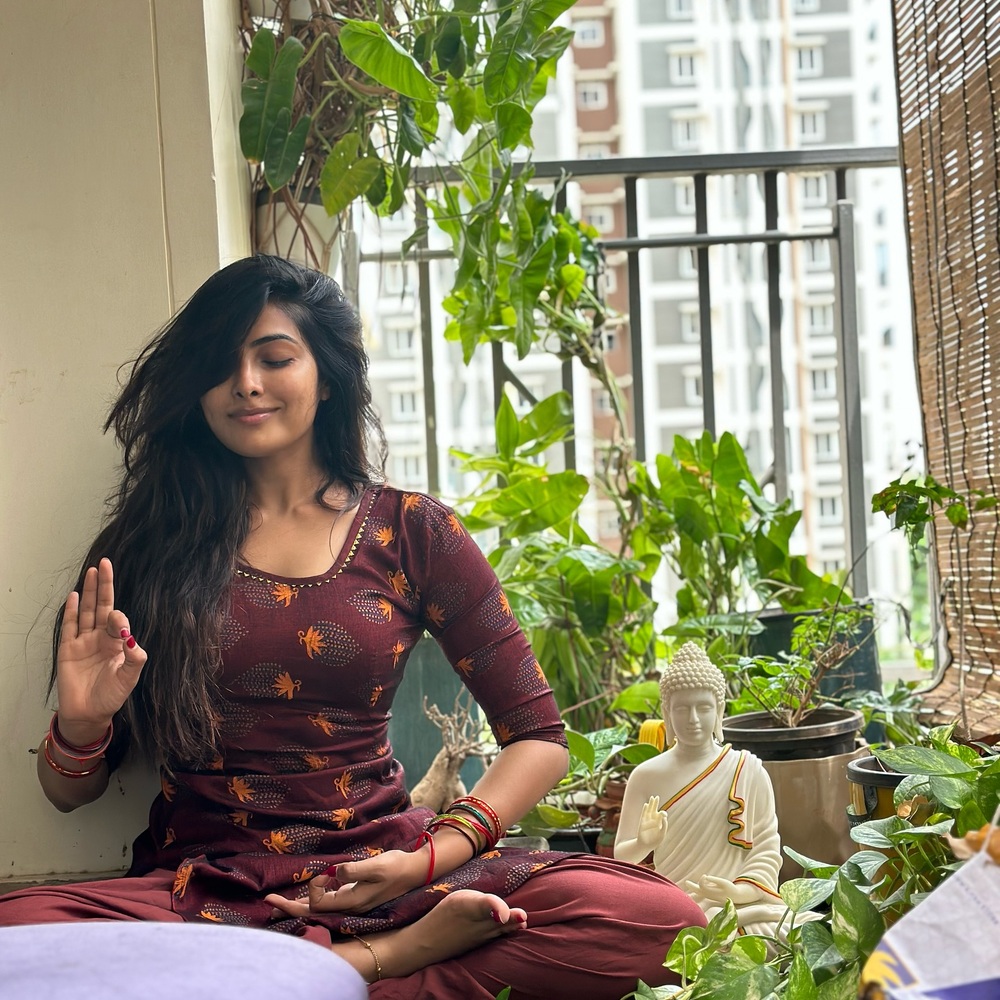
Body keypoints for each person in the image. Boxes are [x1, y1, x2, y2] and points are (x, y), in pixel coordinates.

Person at [0, 255, 705, 998]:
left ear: (326, 376)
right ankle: (373, 969)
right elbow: (68, 793)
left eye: (275, 358)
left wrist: (431, 858)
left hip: (381, 870)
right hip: (203, 891)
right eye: (220, 364)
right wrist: (81, 725)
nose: (246, 382)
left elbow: (538, 734)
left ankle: (305, 976)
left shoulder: (411, 531)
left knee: (660, 920)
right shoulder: (151, 544)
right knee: (17, 944)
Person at [614, 642, 792, 938]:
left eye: (704, 707)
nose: (693, 719)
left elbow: (766, 849)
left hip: (738, 905)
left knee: (794, 934)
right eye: (682, 708)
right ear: (666, 712)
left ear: (719, 710)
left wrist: (738, 891)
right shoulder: (645, 776)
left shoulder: (747, 770)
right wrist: (644, 843)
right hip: (673, 908)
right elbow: (622, 858)